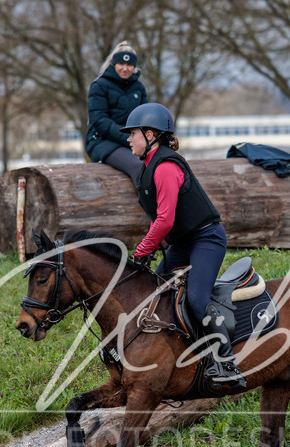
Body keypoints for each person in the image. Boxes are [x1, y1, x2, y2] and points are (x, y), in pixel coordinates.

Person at [119, 102, 245, 389]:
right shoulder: (149, 165)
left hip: (206, 239)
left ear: (150, 135)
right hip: (183, 242)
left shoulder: (164, 167)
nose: (128, 139)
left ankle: (227, 363)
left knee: (197, 299)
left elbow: (164, 220)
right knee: (155, 294)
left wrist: (142, 250)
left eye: (132, 134)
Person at [84, 42, 147, 185]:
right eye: (121, 64)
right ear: (113, 64)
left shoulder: (139, 88)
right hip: (102, 141)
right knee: (139, 166)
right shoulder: (99, 86)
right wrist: (128, 138)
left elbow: (145, 118)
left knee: (164, 163)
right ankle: (150, 206)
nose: (125, 69)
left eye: (130, 65)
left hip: (131, 141)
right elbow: (99, 120)